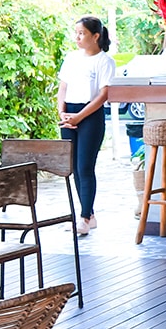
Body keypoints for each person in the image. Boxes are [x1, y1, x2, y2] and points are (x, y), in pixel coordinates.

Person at [56, 16, 116, 235]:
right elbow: (63, 87)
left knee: (85, 167)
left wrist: (79, 117)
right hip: (69, 115)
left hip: (90, 116)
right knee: (73, 168)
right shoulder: (71, 58)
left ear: (96, 36)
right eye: (76, 33)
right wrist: (62, 113)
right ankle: (89, 215)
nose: (77, 37)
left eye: (82, 33)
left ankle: (84, 218)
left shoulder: (104, 61)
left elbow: (103, 95)